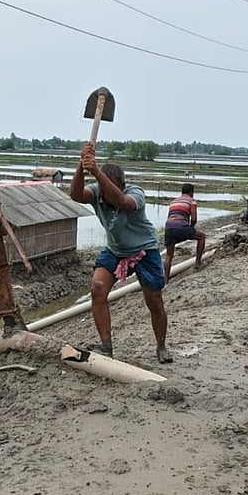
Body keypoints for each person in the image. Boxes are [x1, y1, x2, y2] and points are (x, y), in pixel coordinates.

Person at [69, 142, 173, 364]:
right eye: (103, 189)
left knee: (154, 302)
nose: (106, 196)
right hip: (115, 251)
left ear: (122, 185)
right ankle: (106, 346)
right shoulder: (97, 192)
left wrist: (96, 170)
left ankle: (161, 346)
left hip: (145, 250)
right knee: (97, 289)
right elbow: (76, 195)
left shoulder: (135, 193)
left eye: (109, 189)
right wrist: (82, 164)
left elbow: (121, 201)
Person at [163, 182, 206, 280]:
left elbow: (170, 217)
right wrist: (191, 228)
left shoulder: (174, 201)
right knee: (202, 237)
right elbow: (194, 219)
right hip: (181, 226)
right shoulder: (191, 201)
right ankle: (198, 262)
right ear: (191, 192)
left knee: (169, 255)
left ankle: (166, 280)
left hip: (169, 227)